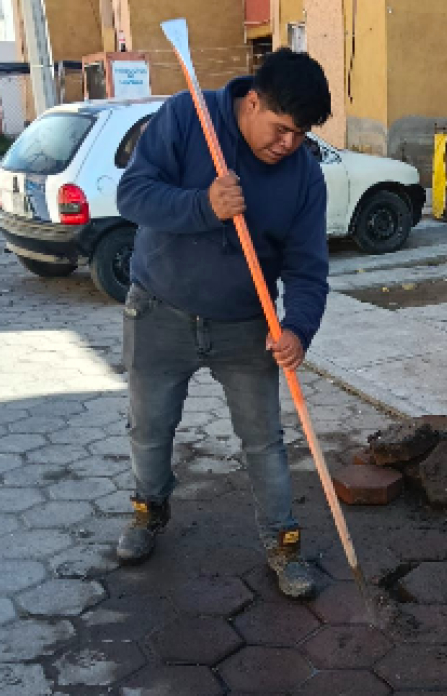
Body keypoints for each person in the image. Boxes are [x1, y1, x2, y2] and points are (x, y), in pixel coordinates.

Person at [115, 49, 332, 599]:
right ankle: (149, 508)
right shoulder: (189, 118)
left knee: (265, 442)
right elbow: (132, 194)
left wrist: (297, 329)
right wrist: (202, 203)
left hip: (244, 324)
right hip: (159, 309)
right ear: (252, 101)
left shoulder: (304, 175)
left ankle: (281, 542)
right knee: (150, 427)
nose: (288, 145)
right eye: (281, 129)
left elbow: (308, 269)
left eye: (300, 136)